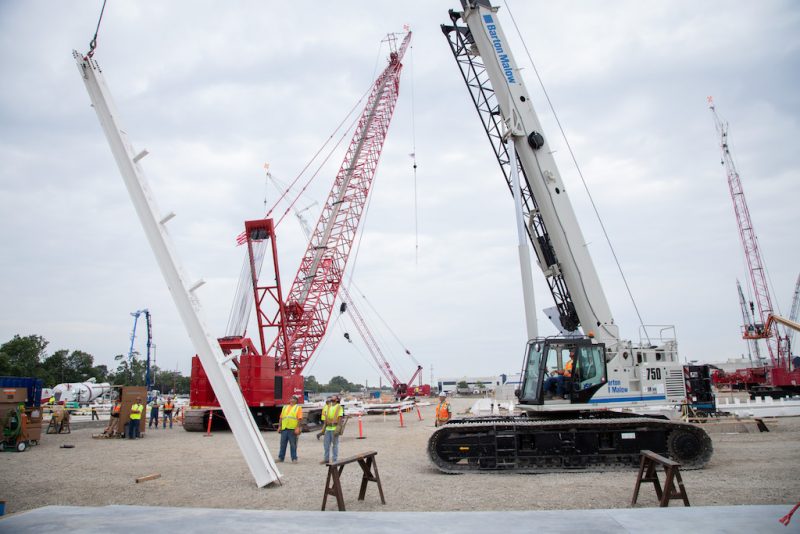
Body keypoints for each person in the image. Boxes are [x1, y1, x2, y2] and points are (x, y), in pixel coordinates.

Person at [278, 395, 303, 463]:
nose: (292, 400)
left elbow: (299, 419)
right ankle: (281, 458)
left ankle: (294, 458)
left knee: (293, 444)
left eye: (294, 399)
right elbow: (281, 418)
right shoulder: (285, 407)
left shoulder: (298, 408)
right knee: (282, 444)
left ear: (296, 401)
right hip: (284, 428)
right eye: (291, 398)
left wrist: (297, 428)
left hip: (292, 429)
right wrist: (279, 426)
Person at [321, 395, 344, 464]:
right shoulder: (328, 407)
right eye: (332, 397)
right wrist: (324, 427)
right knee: (326, 445)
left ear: (337, 399)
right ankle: (326, 459)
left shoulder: (339, 407)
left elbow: (340, 418)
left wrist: (338, 428)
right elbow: (325, 416)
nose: (332, 398)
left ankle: (334, 460)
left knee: (335, 445)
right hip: (328, 428)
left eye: (333, 397)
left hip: (334, 428)